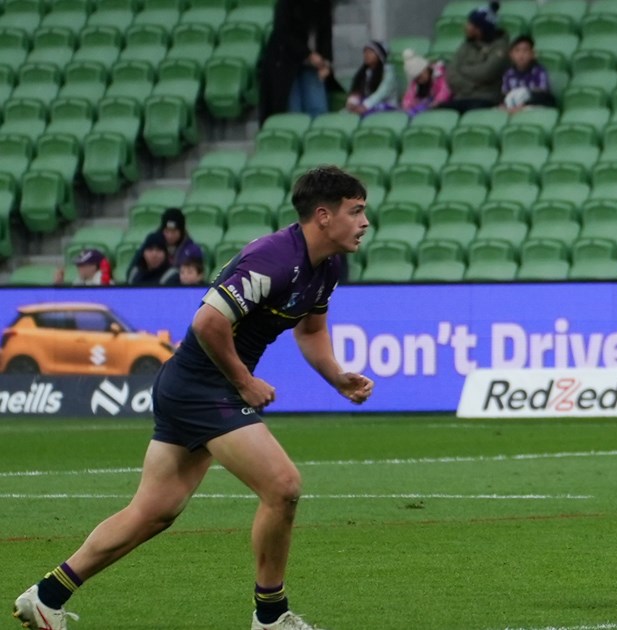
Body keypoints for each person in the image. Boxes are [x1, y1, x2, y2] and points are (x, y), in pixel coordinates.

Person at [10, 166, 375, 630]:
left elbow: (311, 329)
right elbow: (208, 322)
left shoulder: (329, 267)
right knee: (283, 487)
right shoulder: (274, 258)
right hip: (204, 386)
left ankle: (46, 597)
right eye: (355, 211)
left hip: (192, 386)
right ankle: (271, 616)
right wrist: (244, 381)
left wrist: (336, 376)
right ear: (323, 216)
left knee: (152, 512)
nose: (364, 222)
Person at [258, 0, 334, 122]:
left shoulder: (324, 4)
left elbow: (326, 35)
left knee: (318, 110)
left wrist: (326, 62)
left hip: (313, 65)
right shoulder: (286, 3)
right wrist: (308, 55)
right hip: (286, 64)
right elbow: (283, 33)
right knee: (293, 112)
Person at [444, 2, 511, 113]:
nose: (466, 26)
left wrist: (463, 69)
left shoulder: (500, 47)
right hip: (461, 98)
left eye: (470, 24)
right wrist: (472, 87)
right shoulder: (466, 45)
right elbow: (451, 73)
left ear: (480, 29)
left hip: (486, 99)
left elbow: (486, 73)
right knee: (436, 113)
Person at [501, 36, 556, 112]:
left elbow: (543, 94)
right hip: (513, 106)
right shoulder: (508, 74)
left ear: (532, 54)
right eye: (517, 51)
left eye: (525, 51)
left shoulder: (539, 71)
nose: (521, 55)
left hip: (534, 105)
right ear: (511, 55)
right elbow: (505, 94)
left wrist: (524, 104)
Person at [344, 41, 398, 116]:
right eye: (365, 52)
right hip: (367, 104)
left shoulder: (388, 72)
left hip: (386, 106)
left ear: (380, 56)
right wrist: (352, 102)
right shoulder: (364, 72)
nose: (366, 55)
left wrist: (365, 106)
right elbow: (357, 91)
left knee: (365, 114)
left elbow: (381, 93)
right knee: (345, 113)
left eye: (370, 52)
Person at [400, 50, 452, 116]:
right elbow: (407, 100)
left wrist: (432, 105)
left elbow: (445, 93)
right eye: (416, 78)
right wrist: (412, 106)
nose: (419, 80)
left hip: (442, 110)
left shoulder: (440, 74)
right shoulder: (415, 82)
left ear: (425, 69)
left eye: (420, 76)